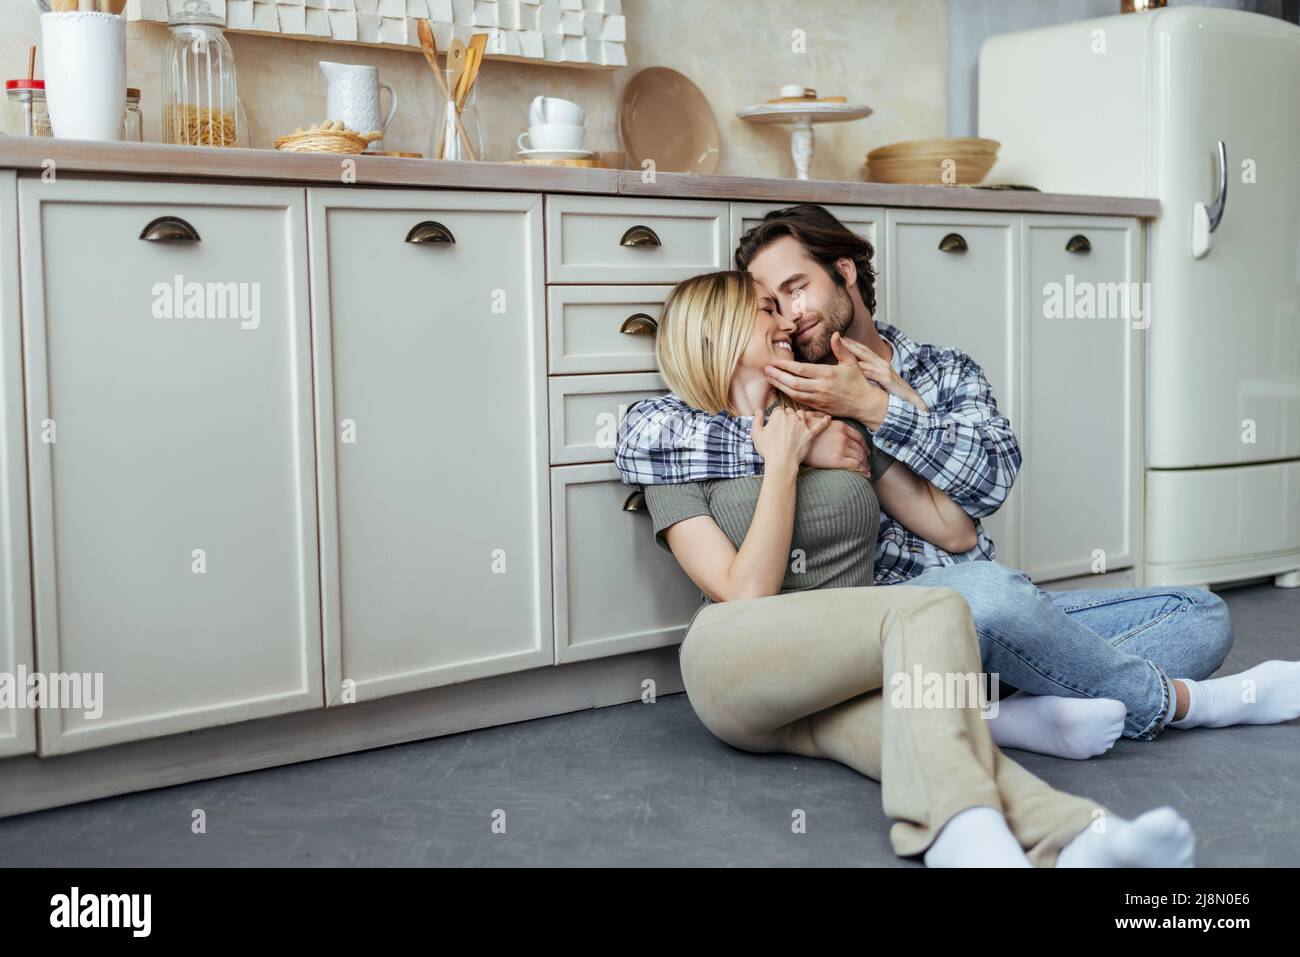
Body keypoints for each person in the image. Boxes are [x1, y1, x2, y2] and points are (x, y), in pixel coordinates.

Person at [618, 204, 1300, 759]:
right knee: (989, 596)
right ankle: (1163, 702)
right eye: (768, 304)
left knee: (1201, 615)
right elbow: (651, 437)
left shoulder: (943, 371)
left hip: (990, 604)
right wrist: (807, 440)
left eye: (794, 290)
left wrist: (880, 409)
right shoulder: (793, 404)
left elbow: (978, 500)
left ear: (844, 273)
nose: (788, 316)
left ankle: (1026, 696)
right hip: (887, 623)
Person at [634, 268, 1195, 867]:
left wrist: (893, 400)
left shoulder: (832, 422)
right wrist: (782, 462)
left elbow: (952, 528)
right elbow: (746, 597)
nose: (786, 321)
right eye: (765, 310)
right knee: (932, 608)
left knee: (932, 747)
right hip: (733, 663)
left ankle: (1075, 838)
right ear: (713, 330)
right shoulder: (674, 444)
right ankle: (984, 792)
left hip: (836, 684)